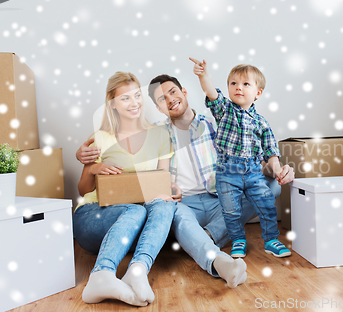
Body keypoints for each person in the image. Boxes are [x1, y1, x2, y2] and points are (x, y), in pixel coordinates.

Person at [77, 72, 294, 288]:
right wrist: (88, 163)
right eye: (162, 99)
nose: (170, 99)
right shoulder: (157, 134)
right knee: (168, 208)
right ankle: (213, 255)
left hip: (220, 198)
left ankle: (206, 237)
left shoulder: (219, 124)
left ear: (184, 92)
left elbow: (251, 163)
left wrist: (277, 170)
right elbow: (152, 180)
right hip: (184, 205)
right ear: (158, 107)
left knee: (270, 186)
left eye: (173, 92)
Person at [73, 71, 178, 307]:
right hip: (93, 216)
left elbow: (162, 182)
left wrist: (171, 190)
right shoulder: (99, 138)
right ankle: (102, 274)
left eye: (137, 95)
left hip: (133, 225)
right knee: (135, 211)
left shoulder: (160, 135)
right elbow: (83, 190)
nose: (135, 103)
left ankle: (137, 272)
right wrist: (93, 169)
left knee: (164, 204)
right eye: (125, 98)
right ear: (112, 105)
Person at [190, 57, 291, 259]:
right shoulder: (225, 111)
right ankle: (238, 240)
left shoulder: (261, 122)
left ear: (258, 93)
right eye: (233, 83)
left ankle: (271, 239)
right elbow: (211, 93)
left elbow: (270, 151)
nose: (238, 88)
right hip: (227, 172)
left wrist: (278, 169)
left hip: (253, 170)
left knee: (266, 204)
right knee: (231, 210)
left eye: (246, 84)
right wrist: (204, 76)